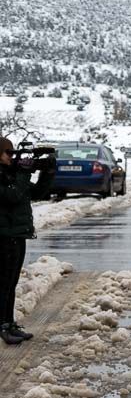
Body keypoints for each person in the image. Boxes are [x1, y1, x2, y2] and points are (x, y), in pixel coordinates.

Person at [0, 137, 56, 345]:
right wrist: (24, 172)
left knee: (11, 282)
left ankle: (10, 323)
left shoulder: (11, 173)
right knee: (3, 283)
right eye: (8, 152)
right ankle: (3, 326)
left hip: (16, 235)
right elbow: (12, 196)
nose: (11, 156)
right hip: (3, 236)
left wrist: (48, 172)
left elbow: (38, 193)